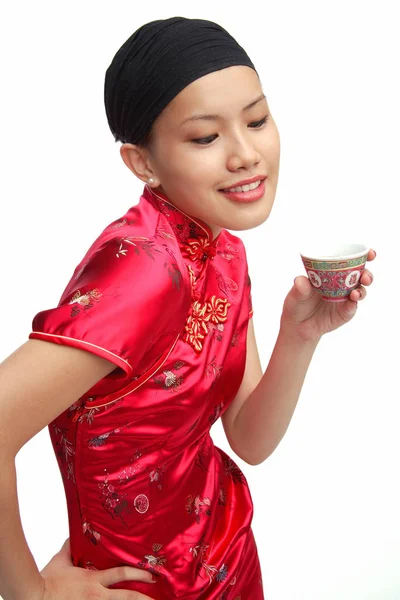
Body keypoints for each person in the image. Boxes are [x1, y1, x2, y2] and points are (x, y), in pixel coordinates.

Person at [0, 16, 376, 600]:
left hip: (226, 559)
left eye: (256, 120)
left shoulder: (225, 252)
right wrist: (32, 593)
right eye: (206, 137)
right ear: (141, 162)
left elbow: (248, 439)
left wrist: (299, 336)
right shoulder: (144, 269)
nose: (247, 154)